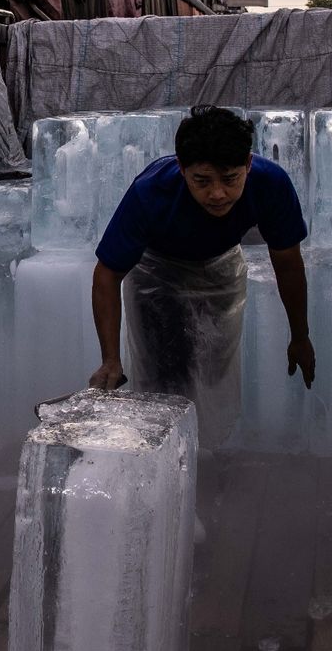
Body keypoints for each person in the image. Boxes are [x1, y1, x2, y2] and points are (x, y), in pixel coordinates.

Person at [87, 105, 312, 444]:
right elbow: (107, 275)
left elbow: (288, 262)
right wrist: (110, 359)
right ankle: (166, 454)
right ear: (182, 169)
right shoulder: (150, 193)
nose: (217, 193)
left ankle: (212, 452)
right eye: (202, 181)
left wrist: (300, 336)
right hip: (157, 274)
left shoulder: (270, 184)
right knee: (167, 372)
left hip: (219, 268)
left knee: (212, 369)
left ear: (248, 165)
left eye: (230, 179)